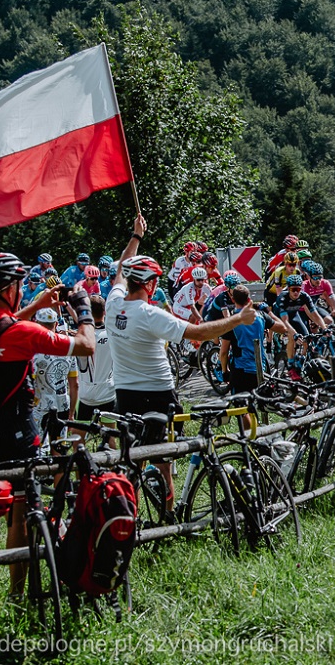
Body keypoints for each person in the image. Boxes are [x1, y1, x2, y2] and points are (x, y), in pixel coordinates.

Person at [0, 251, 96, 597]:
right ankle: (16, 592)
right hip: (17, 434)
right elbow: (85, 346)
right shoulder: (24, 332)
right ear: (10, 288)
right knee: (20, 513)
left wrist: (36, 303)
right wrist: (83, 310)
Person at [106, 214, 258, 509]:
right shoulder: (150, 315)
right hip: (158, 393)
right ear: (150, 285)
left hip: (124, 393)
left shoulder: (113, 304)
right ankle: (167, 520)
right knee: (164, 463)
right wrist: (238, 319)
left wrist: (136, 236)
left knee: (131, 464)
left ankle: (132, 521)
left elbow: (120, 272)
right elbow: (199, 331)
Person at [30, 308, 78, 450]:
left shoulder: (35, 352)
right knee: (59, 448)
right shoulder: (68, 349)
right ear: (56, 324)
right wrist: (72, 412)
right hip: (62, 404)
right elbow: (75, 385)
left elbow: (31, 384)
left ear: (38, 324)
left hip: (40, 406)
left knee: (39, 449)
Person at [70, 296, 115, 446]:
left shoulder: (82, 338)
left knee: (77, 439)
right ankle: (115, 469)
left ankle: (81, 468)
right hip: (108, 392)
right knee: (110, 437)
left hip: (86, 395)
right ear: (104, 312)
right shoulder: (112, 334)